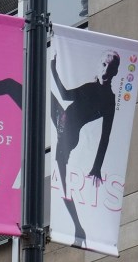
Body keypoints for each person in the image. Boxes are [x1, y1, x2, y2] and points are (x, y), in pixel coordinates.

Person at [50, 50, 120, 248]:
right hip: (62, 118)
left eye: (111, 68)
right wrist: (53, 70)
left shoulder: (108, 100)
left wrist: (97, 166)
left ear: (115, 73)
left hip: (69, 135)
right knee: (25, 88)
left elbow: (105, 136)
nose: (107, 70)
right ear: (100, 65)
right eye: (105, 65)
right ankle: (78, 229)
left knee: (62, 182)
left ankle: (78, 229)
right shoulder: (91, 87)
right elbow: (64, 95)